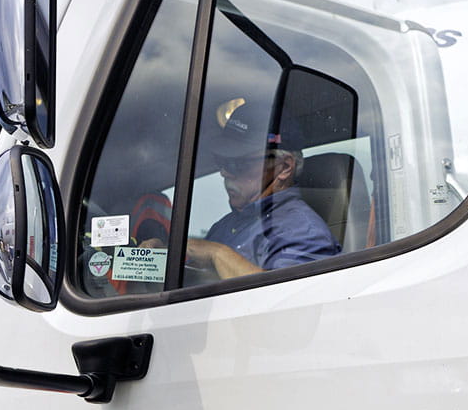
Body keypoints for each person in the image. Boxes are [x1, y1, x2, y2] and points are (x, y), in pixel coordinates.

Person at [143, 99, 340, 281]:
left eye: (238, 163)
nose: (224, 172)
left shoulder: (303, 231)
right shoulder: (224, 226)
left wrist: (217, 254)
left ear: (284, 167)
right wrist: (165, 258)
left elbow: (288, 303)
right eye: (221, 162)